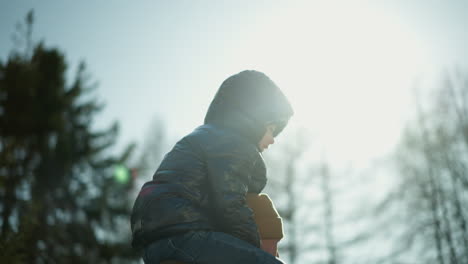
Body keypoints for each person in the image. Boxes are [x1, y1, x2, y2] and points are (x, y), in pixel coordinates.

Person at [130, 70, 294, 264]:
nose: (273, 139)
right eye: (272, 129)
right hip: (185, 236)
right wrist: (252, 246)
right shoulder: (234, 143)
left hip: (155, 243)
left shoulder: (209, 138)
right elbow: (231, 204)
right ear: (253, 117)